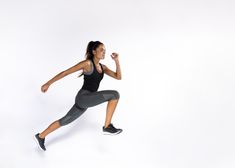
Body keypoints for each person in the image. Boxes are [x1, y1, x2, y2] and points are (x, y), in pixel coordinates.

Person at [34, 41, 122, 151]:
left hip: (86, 101)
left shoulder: (103, 67)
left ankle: (41, 136)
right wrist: (48, 83)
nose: (104, 52)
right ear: (94, 51)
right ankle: (107, 126)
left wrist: (117, 61)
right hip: (83, 97)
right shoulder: (87, 64)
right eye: (101, 50)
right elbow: (65, 72)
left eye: (105, 50)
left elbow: (118, 77)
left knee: (65, 120)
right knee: (115, 95)